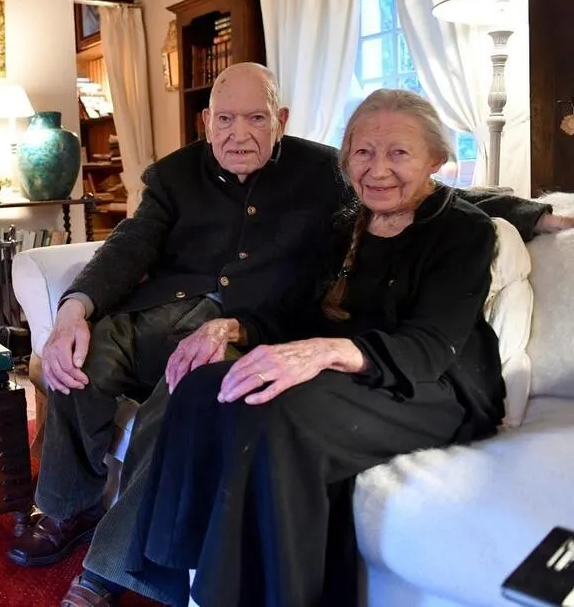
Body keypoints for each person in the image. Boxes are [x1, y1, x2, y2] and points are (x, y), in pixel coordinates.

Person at [5, 63, 569, 605]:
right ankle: (70, 507)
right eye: (225, 119)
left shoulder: (328, 172)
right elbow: (130, 244)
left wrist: (531, 212)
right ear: (206, 121)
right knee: (83, 357)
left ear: (281, 119)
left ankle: (116, 569)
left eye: (256, 118)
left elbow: (434, 197)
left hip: (279, 331)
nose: (239, 134)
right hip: (182, 314)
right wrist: (76, 308)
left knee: (190, 394)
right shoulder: (177, 175)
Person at [120, 88, 519, 606]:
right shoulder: (345, 223)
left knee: (276, 412)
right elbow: (295, 312)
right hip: (348, 372)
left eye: (399, 152)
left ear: (435, 159)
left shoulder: (464, 230)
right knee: (204, 387)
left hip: (432, 386)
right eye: (363, 152)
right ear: (346, 159)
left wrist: (322, 352)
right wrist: (230, 327)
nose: (378, 169)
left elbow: (429, 347)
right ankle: (176, 577)